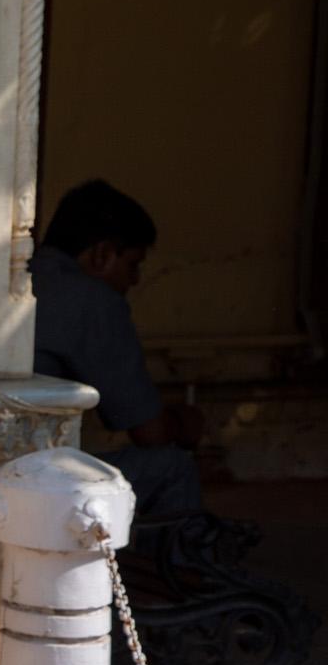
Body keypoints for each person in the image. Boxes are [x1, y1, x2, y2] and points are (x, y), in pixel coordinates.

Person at [31, 179, 203, 515]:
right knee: (172, 468)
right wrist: (185, 422)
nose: (135, 279)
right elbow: (150, 433)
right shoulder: (92, 301)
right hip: (35, 480)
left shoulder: (18, 277)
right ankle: (184, 552)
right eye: (133, 264)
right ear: (103, 254)